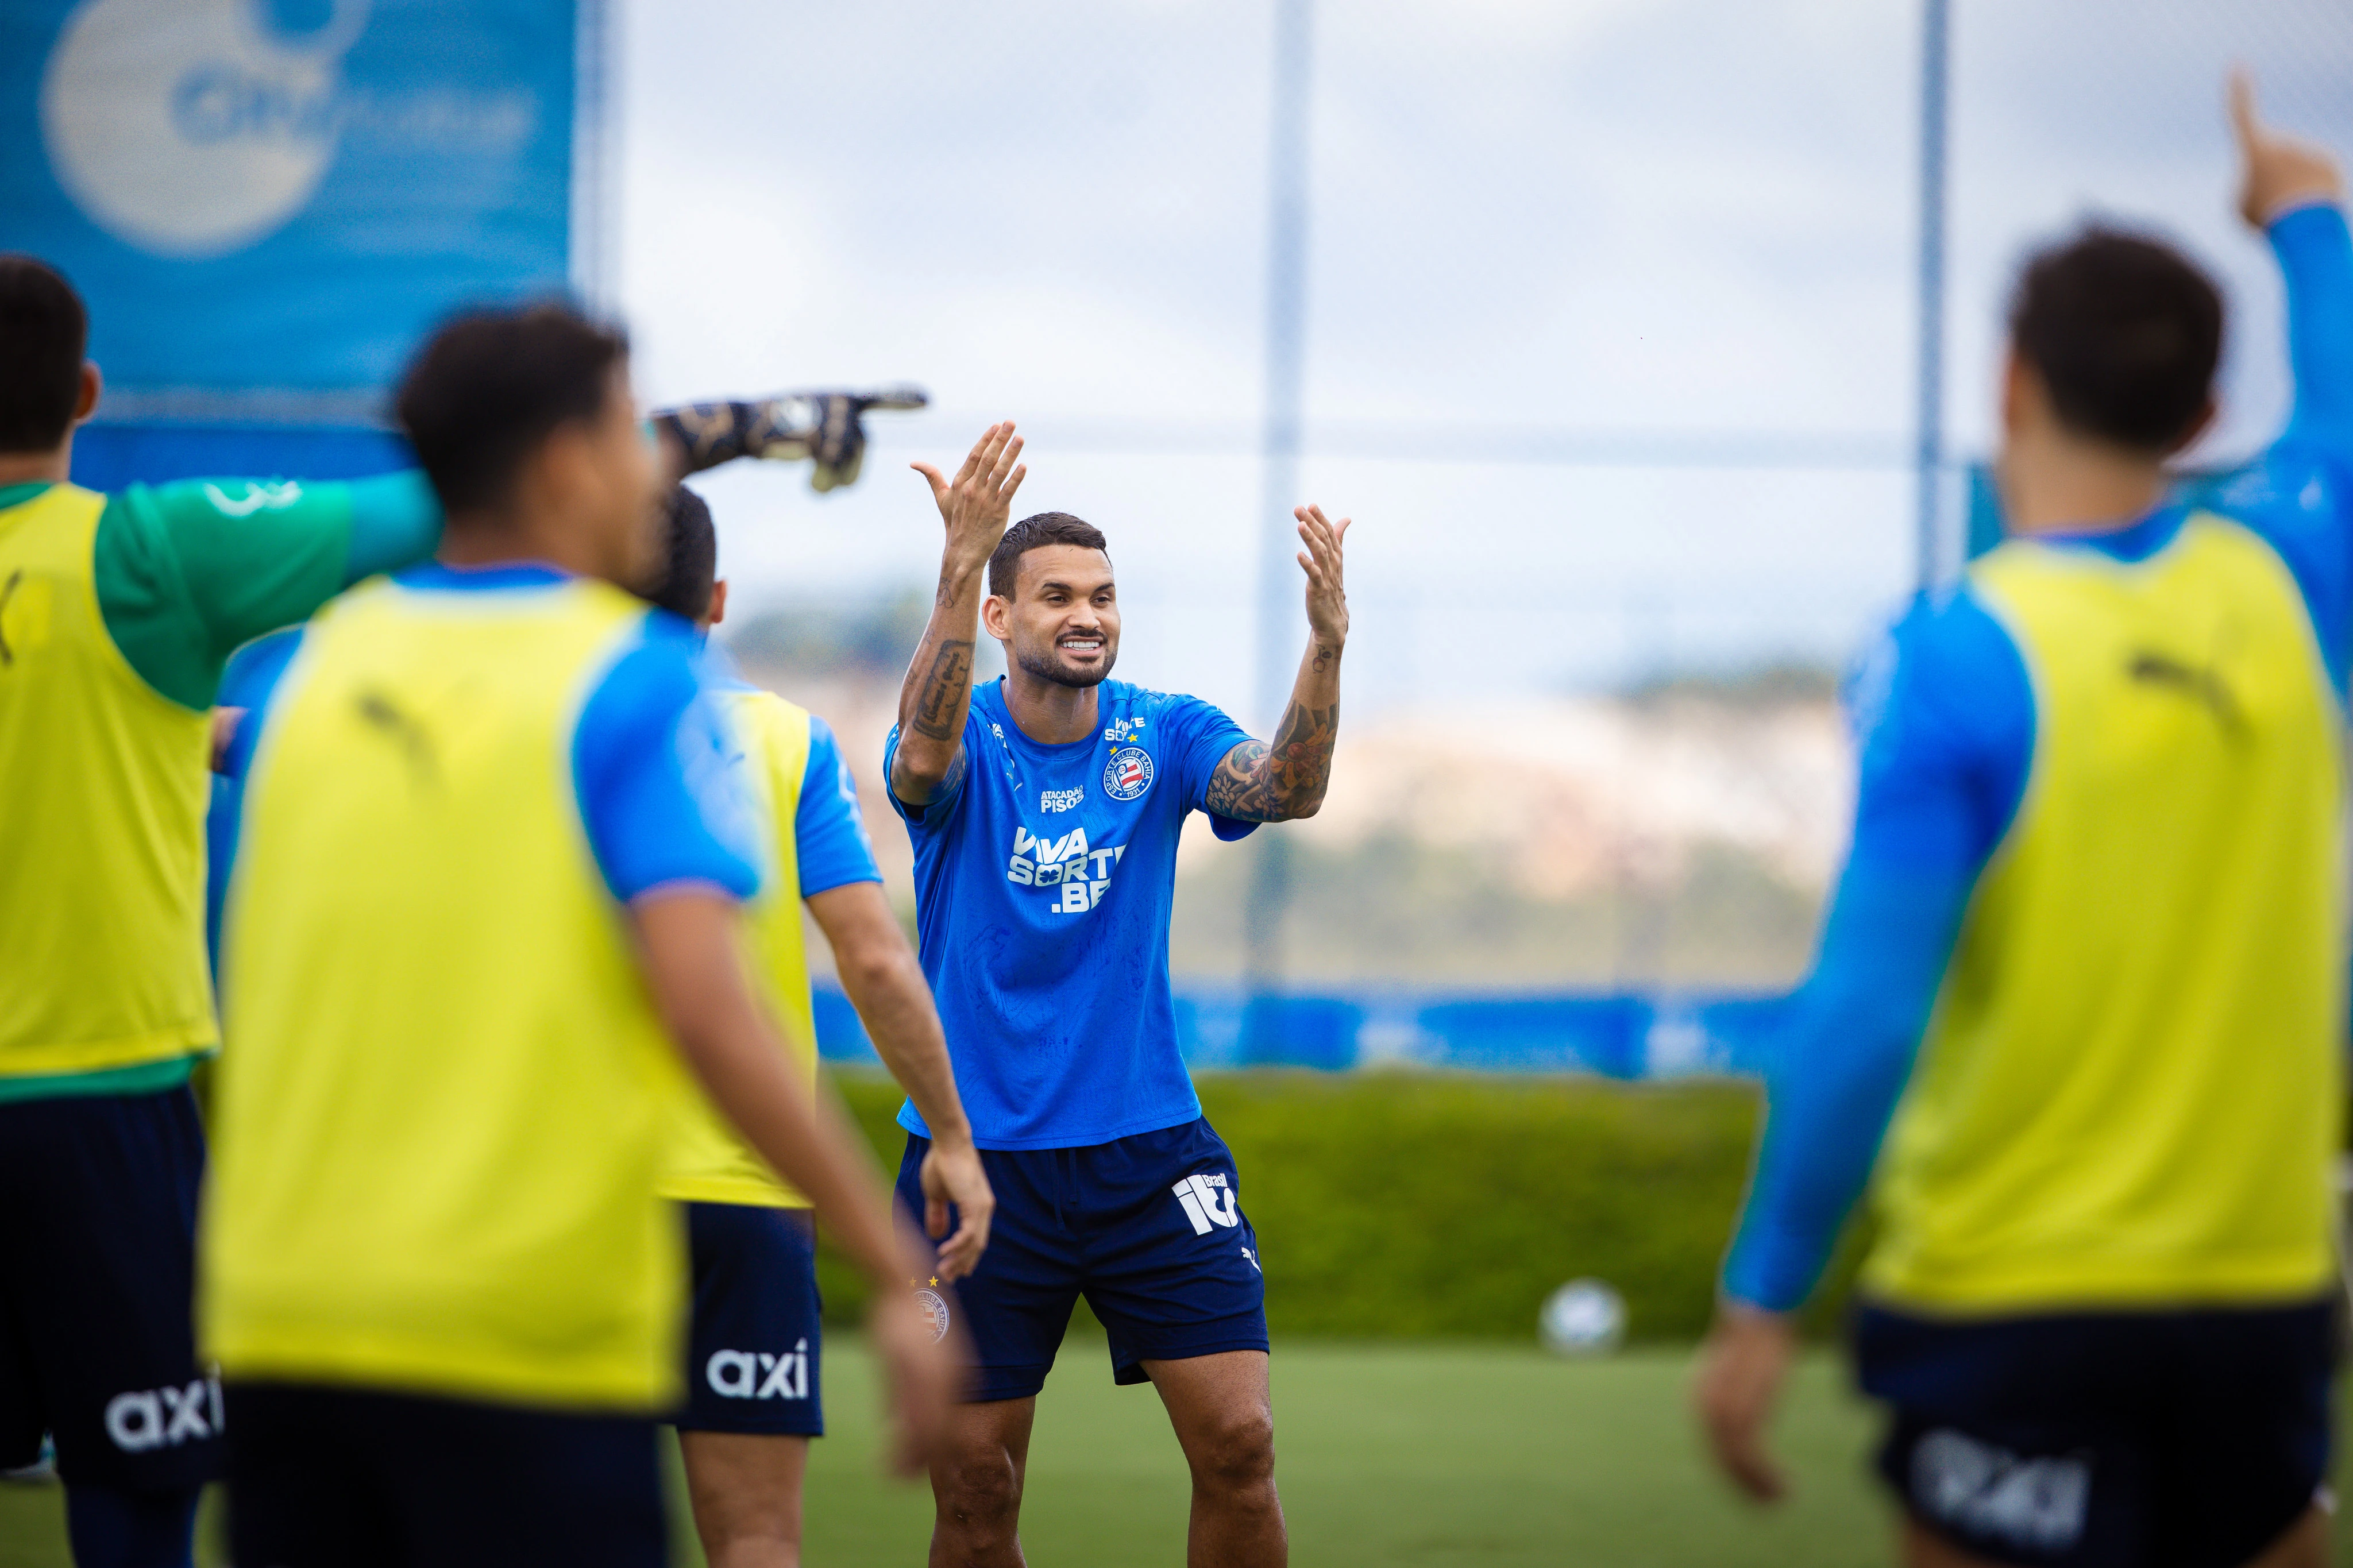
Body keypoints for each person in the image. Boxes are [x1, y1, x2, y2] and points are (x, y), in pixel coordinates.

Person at [0, 249, 906, 1568]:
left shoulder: (318, 686)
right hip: (513, 1323)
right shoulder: (632, 681)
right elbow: (709, 1013)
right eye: (619, 433)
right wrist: (891, 1266)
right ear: (563, 466)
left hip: (285, 1310)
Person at [1692, 74, 2353, 1568]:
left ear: (2009, 381)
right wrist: (2308, 209)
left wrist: (1762, 1293)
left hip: (2016, 1294)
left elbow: (1865, 1012)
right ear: (2199, 411)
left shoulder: (1957, 655)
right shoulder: (2300, 588)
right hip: (2261, 1290)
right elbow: (2344, 408)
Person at [884, 421, 1351, 1568]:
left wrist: (1326, 648)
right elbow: (917, 766)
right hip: (974, 1165)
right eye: (1053, 596)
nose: (1085, 615)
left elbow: (1283, 788)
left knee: (1240, 1443)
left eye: (1101, 594)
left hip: (1151, 1157)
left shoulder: (1165, 729)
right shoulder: (961, 738)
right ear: (999, 619)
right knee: (976, 1488)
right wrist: (956, 563)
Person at [639, 484, 995, 1568]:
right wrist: (949, 1133)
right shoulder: (784, 738)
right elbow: (877, 958)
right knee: (756, 1538)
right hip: (749, 1199)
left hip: (570, 1190)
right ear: (720, 598)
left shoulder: (521, 724)